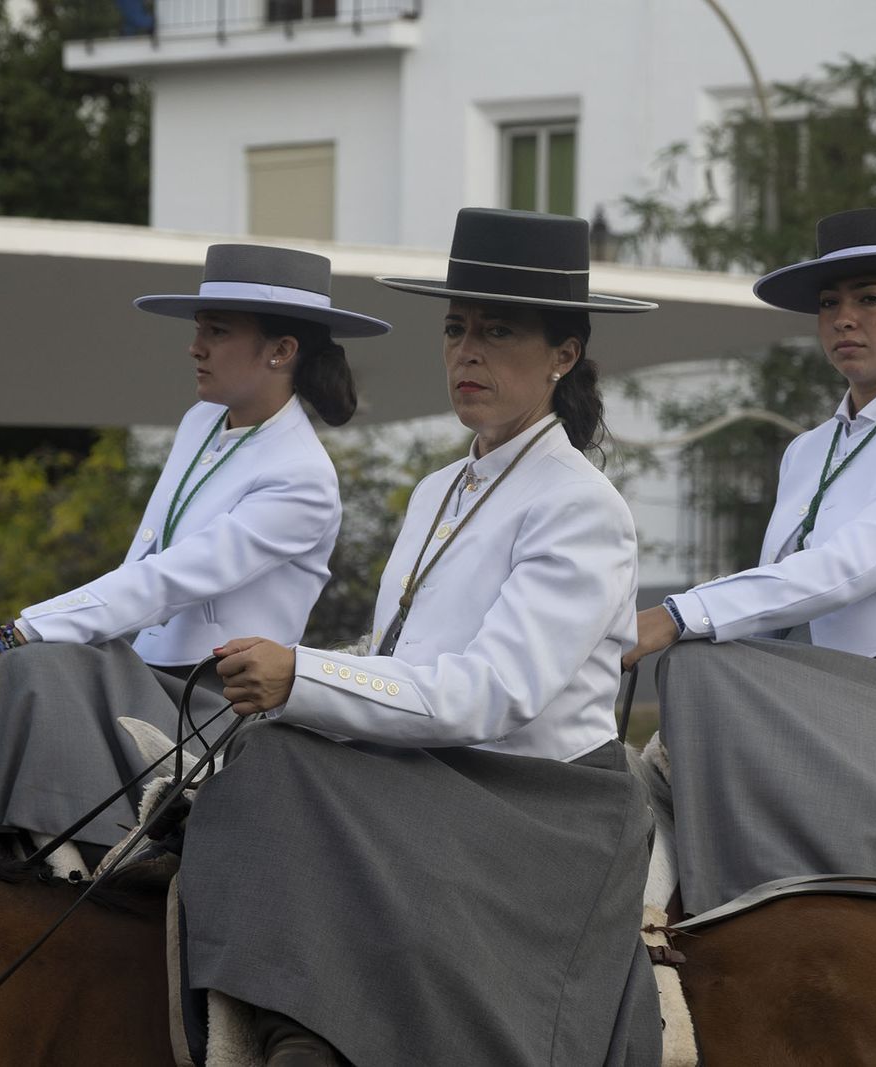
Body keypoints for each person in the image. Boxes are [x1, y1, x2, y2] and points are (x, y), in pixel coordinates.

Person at [173, 208, 664, 1067]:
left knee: (288, 766)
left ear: (563, 354)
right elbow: (400, 656)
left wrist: (306, 679)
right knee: (257, 753)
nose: (466, 352)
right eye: (455, 329)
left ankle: (306, 1034)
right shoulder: (438, 488)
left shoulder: (583, 506)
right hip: (439, 767)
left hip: (538, 805)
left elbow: (490, 691)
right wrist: (292, 675)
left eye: (496, 332)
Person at [0, 243, 390, 867]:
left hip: (205, 702)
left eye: (218, 332)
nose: (194, 347)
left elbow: (167, 581)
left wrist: (13, 634)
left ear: (281, 351)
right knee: (32, 672)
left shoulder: (302, 478)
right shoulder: (201, 421)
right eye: (198, 330)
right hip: (140, 673)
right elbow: (141, 564)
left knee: (32, 670)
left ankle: (71, 869)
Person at [624, 207, 876, 917]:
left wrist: (679, 613)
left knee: (697, 662)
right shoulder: (805, 450)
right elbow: (784, 596)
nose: (845, 318)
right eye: (830, 303)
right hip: (810, 690)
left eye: (870, 298)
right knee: (678, 703)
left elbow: (848, 566)